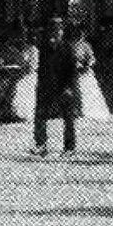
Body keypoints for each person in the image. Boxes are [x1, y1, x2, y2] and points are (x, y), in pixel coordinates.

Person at [32, 14, 80, 157]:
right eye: (52, 30)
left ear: (62, 32)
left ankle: (69, 147)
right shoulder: (44, 48)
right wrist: (40, 86)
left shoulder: (68, 48)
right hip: (46, 86)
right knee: (40, 115)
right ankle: (41, 145)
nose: (55, 33)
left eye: (58, 30)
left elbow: (73, 71)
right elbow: (42, 68)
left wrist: (69, 88)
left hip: (64, 87)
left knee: (68, 118)